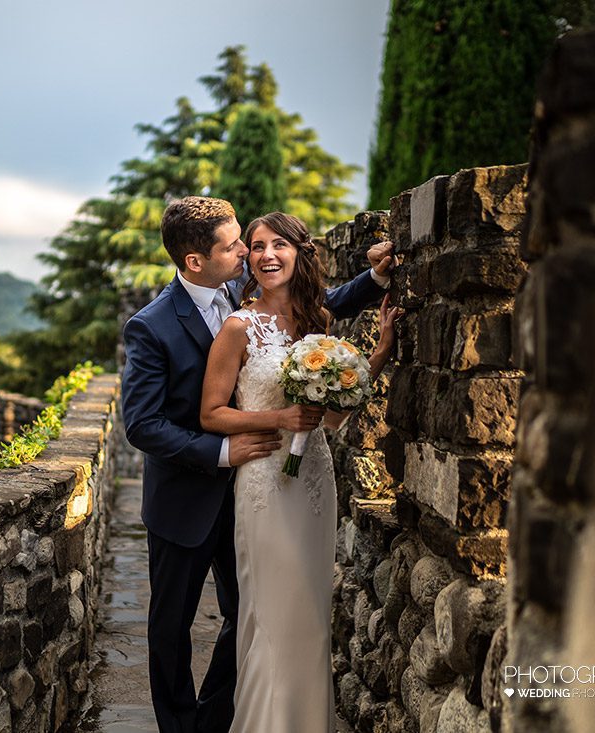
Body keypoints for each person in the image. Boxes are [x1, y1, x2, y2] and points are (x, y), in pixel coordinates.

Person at [120, 197, 393, 733]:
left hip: (262, 489)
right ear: (195, 261)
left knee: (250, 613)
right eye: (236, 245)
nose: (248, 250)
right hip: (191, 494)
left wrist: (376, 278)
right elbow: (142, 425)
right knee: (171, 626)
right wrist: (224, 451)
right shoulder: (151, 326)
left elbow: (315, 305)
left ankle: (226, 718)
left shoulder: (241, 291)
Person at [199, 212, 399, 733]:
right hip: (265, 481)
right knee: (271, 615)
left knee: (310, 615)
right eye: (257, 246)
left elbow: (331, 417)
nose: (267, 255)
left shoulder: (317, 324)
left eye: (279, 245)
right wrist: (278, 418)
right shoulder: (238, 327)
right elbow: (211, 414)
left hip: (313, 481)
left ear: (298, 252)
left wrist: (374, 357)